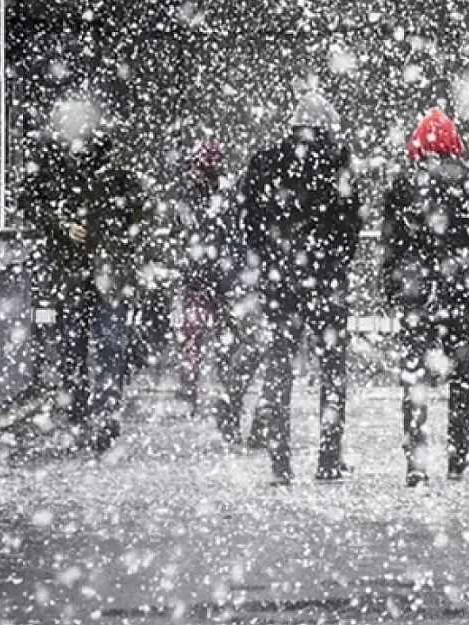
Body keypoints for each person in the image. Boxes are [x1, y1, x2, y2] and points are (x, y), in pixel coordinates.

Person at [237, 92, 362, 484]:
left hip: (280, 281)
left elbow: (250, 221)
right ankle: (328, 457)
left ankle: (280, 462)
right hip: (326, 282)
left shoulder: (266, 161)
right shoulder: (338, 164)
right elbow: (350, 225)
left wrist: (272, 261)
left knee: (279, 367)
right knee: (332, 371)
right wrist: (334, 261)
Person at [380, 107, 469, 486]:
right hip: (460, 293)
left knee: (414, 377)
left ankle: (416, 460)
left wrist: (394, 285)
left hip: (418, 294)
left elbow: (392, 243)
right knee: (460, 380)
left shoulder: (403, 185)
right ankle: (457, 458)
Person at [19, 122, 150, 452]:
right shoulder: (56, 165)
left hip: (102, 273)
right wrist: (61, 224)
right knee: (78, 346)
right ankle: (85, 412)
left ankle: (100, 415)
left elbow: (144, 211)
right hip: (78, 272)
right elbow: (28, 201)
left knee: (104, 345)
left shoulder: (115, 168)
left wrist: (117, 238)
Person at [171, 139, 243, 414]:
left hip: (205, 275)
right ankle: (216, 391)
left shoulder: (195, 195)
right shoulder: (222, 193)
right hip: (211, 276)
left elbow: (185, 232)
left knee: (195, 337)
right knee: (207, 338)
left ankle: (196, 392)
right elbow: (232, 234)